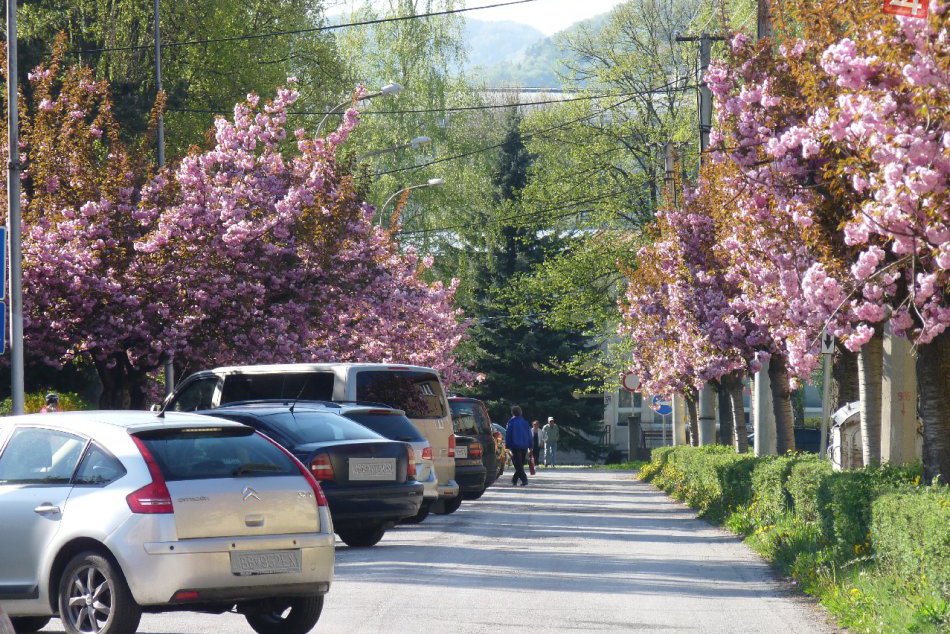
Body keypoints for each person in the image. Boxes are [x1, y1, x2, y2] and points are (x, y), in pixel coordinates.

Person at [504, 405, 532, 486]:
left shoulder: (511, 422)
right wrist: (530, 446)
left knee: (518, 464)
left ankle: (524, 479)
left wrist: (507, 445)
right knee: (520, 464)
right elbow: (529, 434)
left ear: (512, 413)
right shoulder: (525, 422)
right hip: (524, 446)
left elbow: (508, 434)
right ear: (520, 412)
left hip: (515, 446)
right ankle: (514, 480)